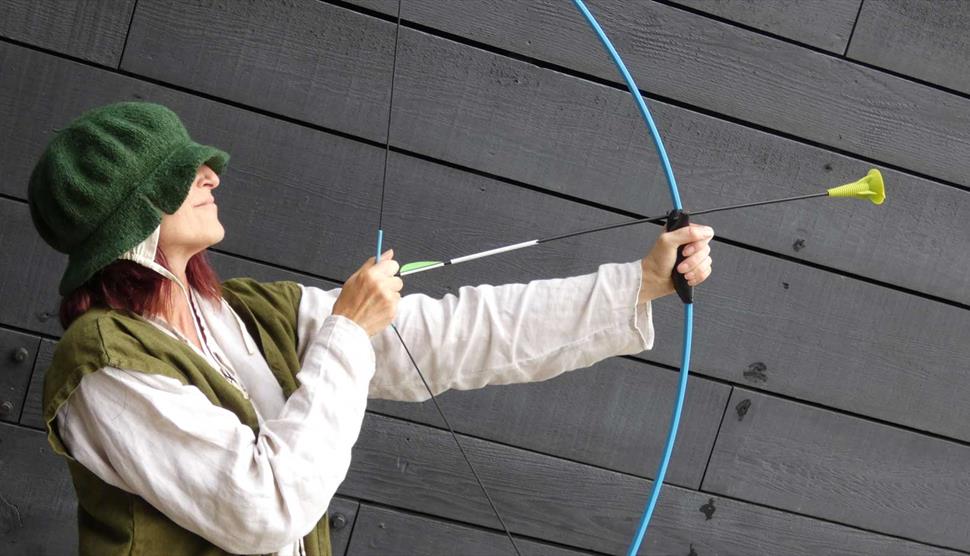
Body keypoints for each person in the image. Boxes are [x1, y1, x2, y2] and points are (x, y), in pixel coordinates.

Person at [28, 101, 713, 556]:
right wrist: (347, 331)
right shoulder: (101, 361)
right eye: (183, 173)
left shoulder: (242, 313)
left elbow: (449, 336)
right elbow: (263, 508)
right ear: (133, 214)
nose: (211, 174)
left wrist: (640, 283)